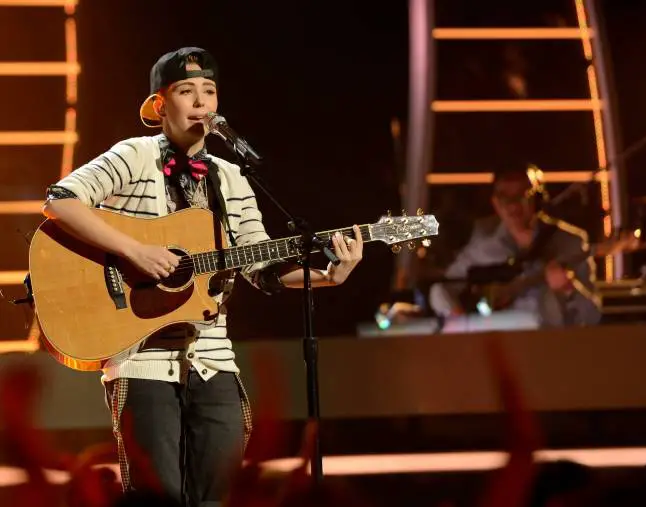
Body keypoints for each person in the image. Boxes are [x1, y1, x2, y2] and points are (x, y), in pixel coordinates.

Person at [42, 47, 363, 506]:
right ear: (159, 105)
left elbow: (260, 266)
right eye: (186, 91)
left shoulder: (232, 177)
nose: (200, 102)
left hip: (214, 358)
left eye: (209, 91)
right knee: (158, 496)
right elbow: (60, 201)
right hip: (141, 355)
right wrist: (135, 250)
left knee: (222, 493)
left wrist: (328, 275)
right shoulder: (134, 155)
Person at [429, 168, 601, 328]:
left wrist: (569, 288)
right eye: (504, 197)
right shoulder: (483, 244)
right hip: (497, 344)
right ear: (495, 203)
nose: (512, 205)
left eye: (522, 195)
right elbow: (441, 290)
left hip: (551, 343)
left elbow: (593, 316)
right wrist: (462, 323)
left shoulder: (570, 242)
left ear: (537, 199)